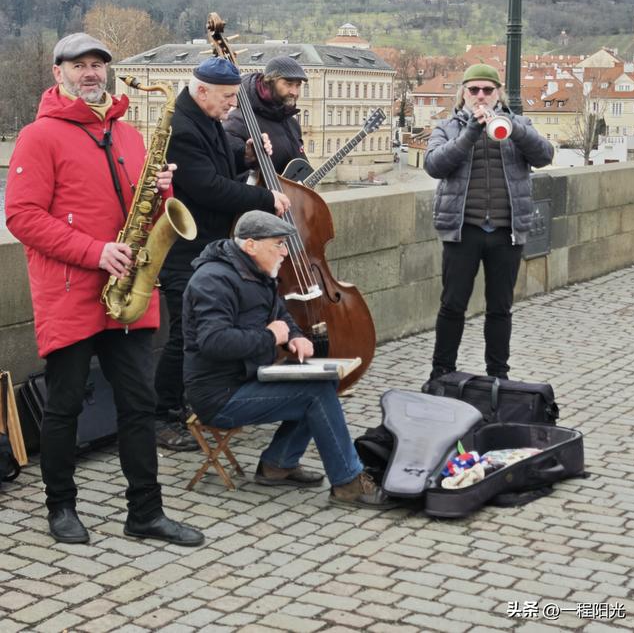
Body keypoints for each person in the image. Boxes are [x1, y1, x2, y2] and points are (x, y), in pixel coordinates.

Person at [5, 32, 203, 547]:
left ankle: (146, 512)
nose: (91, 72)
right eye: (79, 65)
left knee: (138, 405)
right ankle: (60, 506)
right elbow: (22, 216)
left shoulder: (131, 135)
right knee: (64, 404)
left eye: (98, 64)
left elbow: (148, 214)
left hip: (129, 291)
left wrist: (164, 194)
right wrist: (94, 252)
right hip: (72, 290)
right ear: (58, 73)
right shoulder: (38, 136)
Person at [182, 210, 392, 508]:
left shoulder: (255, 270)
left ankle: (278, 464)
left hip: (248, 378)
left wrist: (294, 335)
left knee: (324, 379)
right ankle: (348, 483)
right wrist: (271, 337)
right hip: (219, 395)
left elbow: (279, 314)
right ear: (251, 245)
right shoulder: (213, 280)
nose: (285, 252)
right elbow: (214, 342)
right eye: (278, 244)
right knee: (315, 393)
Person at [154, 56, 291, 451]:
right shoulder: (181, 128)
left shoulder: (204, 118)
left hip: (206, 243)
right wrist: (265, 198)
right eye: (227, 97)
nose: (232, 104)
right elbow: (208, 187)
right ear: (202, 91)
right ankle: (162, 416)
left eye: (234, 96)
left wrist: (245, 157)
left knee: (190, 330)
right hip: (185, 249)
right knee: (184, 334)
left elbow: (218, 162)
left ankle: (185, 406)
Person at [424, 64, 554, 381]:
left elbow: (544, 155)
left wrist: (515, 128)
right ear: (464, 94)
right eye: (474, 90)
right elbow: (434, 165)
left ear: (498, 94)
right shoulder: (448, 127)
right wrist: (470, 131)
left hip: (506, 232)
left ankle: (498, 375)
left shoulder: (518, 123)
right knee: (453, 305)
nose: (480, 96)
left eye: (487, 90)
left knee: (500, 308)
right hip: (462, 231)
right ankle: (442, 371)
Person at [224, 55, 308, 174]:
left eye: (298, 85)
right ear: (270, 82)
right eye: (288, 84)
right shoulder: (236, 122)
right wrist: (247, 158)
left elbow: (300, 170)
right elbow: (230, 172)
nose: (294, 92)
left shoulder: (292, 123)